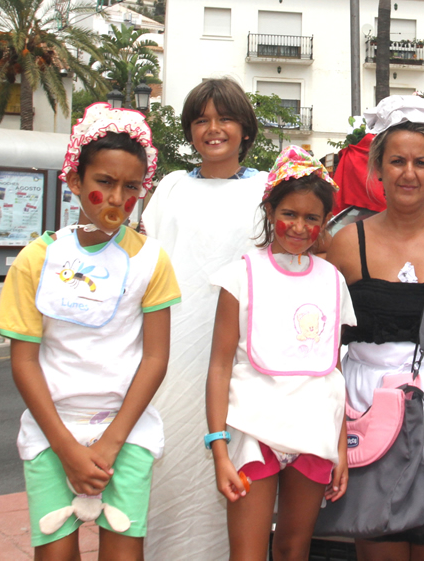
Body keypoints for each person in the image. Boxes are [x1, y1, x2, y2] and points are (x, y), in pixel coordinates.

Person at [0, 103, 180, 560]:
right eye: (104, 182)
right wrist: (66, 448)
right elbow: (24, 360)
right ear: (75, 180)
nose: (117, 198)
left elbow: (155, 358)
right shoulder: (37, 260)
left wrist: (114, 439)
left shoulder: (152, 260)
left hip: (127, 432)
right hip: (49, 432)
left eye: (131, 186)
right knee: (54, 554)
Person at [327, 95, 424, 561]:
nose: (408, 173)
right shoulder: (346, 244)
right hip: (372, 422)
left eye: (421, 162)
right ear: (378, 168)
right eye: (396, 161)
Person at [206, 146, 356, 561]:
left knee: (295, 549)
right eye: (289, 213)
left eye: (312, 218)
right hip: (254, 431)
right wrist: (219, 448)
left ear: (325, 222)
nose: (299, 226)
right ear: (270, 209)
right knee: (248, 553)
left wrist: (340, 446)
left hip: (313, 431)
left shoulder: (331, 280)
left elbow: (333, 369)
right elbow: (219, 367)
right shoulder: (240, 275)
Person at [143, 78, 268, 560]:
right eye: (201, 120)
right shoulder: (171, 189)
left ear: (245, 128)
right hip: (171, 355)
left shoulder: (265, 190)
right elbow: (145, 261)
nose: (213, 129)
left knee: (239, 469)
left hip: (242, 360)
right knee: (170, 465)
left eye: (224, 118)